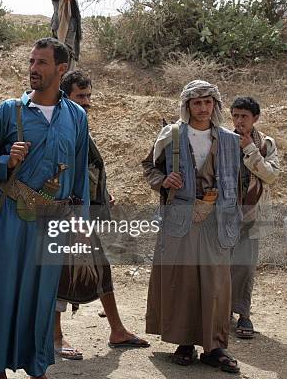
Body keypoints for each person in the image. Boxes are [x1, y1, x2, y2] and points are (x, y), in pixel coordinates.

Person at [0, 37, 90, 378]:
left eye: (41, 62)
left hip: (53, 220)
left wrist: (79, 228)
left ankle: (37, 367)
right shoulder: (9, 110)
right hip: (11, 217)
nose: (33, 69)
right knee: (4, 290)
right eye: (31, 62)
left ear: (61, 69)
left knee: (42, 298)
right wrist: (5, 161)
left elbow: (79, 172)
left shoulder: (77, 117)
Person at [142, 80, 242, 374]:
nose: (203, 108)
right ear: (187, 106)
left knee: (216, 283)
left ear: (215, 105)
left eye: (208, 102)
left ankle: (214, 347)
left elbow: (237, 183)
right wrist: (163, 181)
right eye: (197, 103)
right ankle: (183, 343)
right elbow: (150, 166)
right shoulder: (171, 135)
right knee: (181, 280)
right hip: (180, 216)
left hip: (216, 219)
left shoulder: (229, 139)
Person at [54, 71, 149, 360]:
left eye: (88, 96)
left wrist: (100, 193)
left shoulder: (79, 124)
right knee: (60, 275)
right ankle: (54, 338)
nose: (86, 102)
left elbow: (89, 168)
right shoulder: (61, 126)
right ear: (65, 96)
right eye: (80, 96)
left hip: (84, 211)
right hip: (67, 215)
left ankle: (117, 330)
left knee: (100, 270)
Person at [229, 96, 280, 339]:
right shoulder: (222, 140)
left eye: (244, 117)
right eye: (236, 116)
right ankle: (220, 311)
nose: (239, 121)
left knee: (245, 267)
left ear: (255, 119)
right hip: (222, 215)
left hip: (251, 215)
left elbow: (271, 176)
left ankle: (243, 315)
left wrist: (249, 148)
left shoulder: (266, 144)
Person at [50, 0, 82, 71]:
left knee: (71, 53)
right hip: (62, 24)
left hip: (71, 23)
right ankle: (63, 78)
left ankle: (69, 77)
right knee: (64, 52)